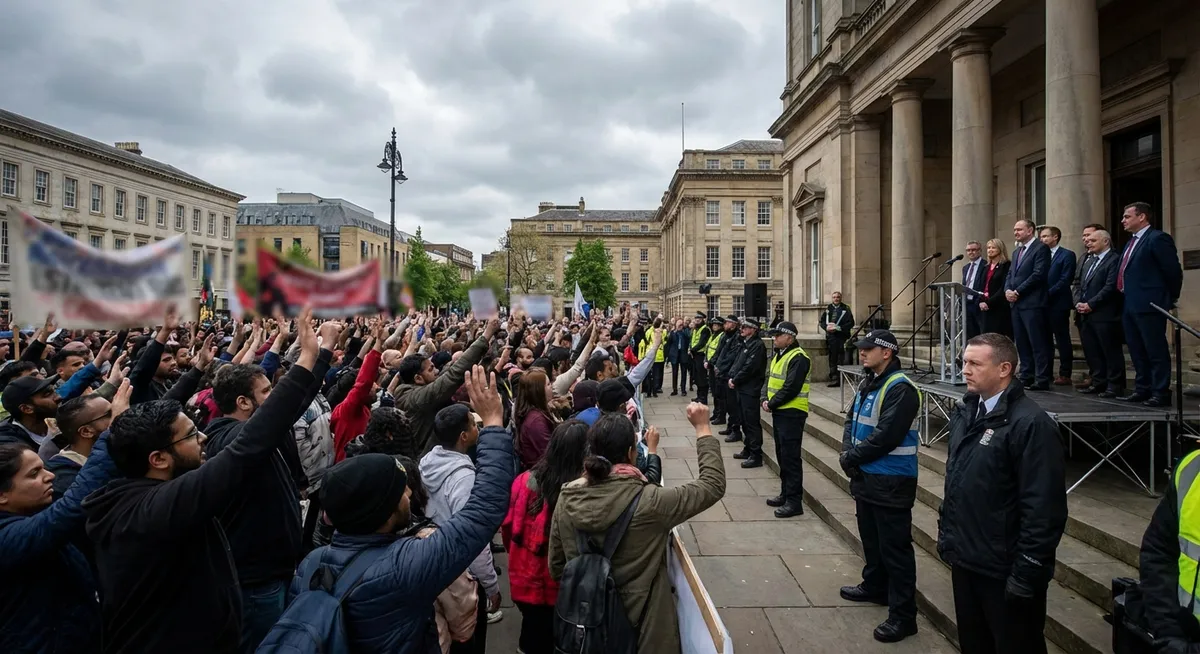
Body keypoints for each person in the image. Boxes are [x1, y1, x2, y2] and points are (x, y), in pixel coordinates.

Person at [82, 311, 334, 654]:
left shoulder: (140, 493)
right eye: (189, 436)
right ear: (158, 459)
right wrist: (308, 360)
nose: (202, 437)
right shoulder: (157, 507)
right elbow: (249, 447)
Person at [290, 365, 515, 653]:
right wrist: (493, 424)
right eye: (401, 491)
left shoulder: (312, 564)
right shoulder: (406, 565)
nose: (410, 492)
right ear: (381, 513)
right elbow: (483, 511)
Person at [549, 405, 725, 654]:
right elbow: (712, 485)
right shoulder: (651, 502)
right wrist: (703, 428)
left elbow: (557, 567)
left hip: (588, 629)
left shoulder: (567, 497)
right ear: (632, 453)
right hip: (645, 630)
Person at [937, 333, 1067, 654]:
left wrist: (1027, 571)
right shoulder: (966, 412)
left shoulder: (1031, 424)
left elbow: (1043, 508)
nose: (964, 370)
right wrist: (948, 538)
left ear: (1004, 368)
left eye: (974, 364)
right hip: (967, 559)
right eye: (963, 362)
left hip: (1004, 570)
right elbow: (959, 483)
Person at [0, 380, 126, 654]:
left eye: (42, 468)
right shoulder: (6, 538)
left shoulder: (27, 515)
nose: (50, 476)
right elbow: (70, 509)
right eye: (34, 475)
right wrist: (112, 432)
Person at [205, 360, 311, 653]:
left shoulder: (255, 436)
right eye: (267, 392)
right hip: (256, 581)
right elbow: (285, 408)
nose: (274, 396)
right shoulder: (229, 441)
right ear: (243, 402)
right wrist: (312, 356)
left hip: (274, 571)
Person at [838, 329, 921, 643]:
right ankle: (875, 586)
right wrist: (849, 453)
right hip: (866, 476)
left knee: (895, 549)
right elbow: (851, 420)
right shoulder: (867, 380)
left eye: (868, 349)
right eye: (861, 348)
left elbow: (888, 435)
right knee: (871, 540)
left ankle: (903, 616)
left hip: (891, 479)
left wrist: (852, 457)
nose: (862, 353)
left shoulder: (901, 388)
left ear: (887, 352)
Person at [502, 420, 590, 654]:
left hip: (524, 579)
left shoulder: (523, 482)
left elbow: (508, 529)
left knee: (532, 631)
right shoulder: (582, 492)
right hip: (562, 587)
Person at [421, 404, 499, 652]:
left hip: (437, 562)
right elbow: (474, 538)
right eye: (474, 424)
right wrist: (491, 585)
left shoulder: (427, 462)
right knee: (469, 639)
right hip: (463, 576)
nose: (478, 427)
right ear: (464, 436)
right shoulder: (463, 478)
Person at [395, 319, 498, 455]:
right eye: (431, 369)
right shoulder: (414, 398)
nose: (437, 371)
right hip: (428, 463)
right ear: (418, 378)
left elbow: (451, 370)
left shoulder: (420, 388)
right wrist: (486, 335)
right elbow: (452, 376)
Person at [1117, 202, 1183, 407]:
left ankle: (1160, 391)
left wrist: (1167, 298)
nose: (1123, 221)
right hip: (1129, 303)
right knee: (1137, 349)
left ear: (1142, 217)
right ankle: (1142, 388)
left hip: (1151, 304)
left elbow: (1172, 271)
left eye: (1127, 216)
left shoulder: (1157, 238)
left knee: (1155, 349)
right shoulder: (1130, 242)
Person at [760, 321, 810, 518]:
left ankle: (794, 501)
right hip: (780, 412)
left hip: (792, 412)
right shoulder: (779, 356)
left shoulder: (799, 357)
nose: (774, 338)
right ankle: (785, 493)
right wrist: (765, 398)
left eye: (778, 335)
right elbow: (768, 378)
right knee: (782, 455)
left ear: (790, 337)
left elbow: (791, 387)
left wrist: (771, 404)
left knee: (791, 458)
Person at [1075, 229, 1125, 398]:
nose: (1088, 242)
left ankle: (1114, 385)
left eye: (1093, 240)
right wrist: (1078, 303)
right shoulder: (1088, 260)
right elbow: (1077, 283)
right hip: (1085, 313)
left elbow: (1110, 286)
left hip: (1105, 314)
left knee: (1109, 351)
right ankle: (1098, 382)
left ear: (1105, 242)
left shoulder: (1114, 260)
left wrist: (1091, 304)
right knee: (1092, 351)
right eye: (1087, 240)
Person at [1005, 219, 1052, 390]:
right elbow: (1010, 274)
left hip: (1033, 303)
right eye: (1015, 229)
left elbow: (1038, 274)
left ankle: (1042, 378)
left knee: (1037, 342)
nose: (1015, 232)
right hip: (1016, 304)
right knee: (1022, 342)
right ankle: (1026, 375)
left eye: (1019, 229)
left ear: (1030, 230)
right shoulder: (1017, 251)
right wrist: (1007, 291)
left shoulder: (1041, 248)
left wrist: (1017, 291)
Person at [1039, 226, 1077, 385]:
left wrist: (1047, 293)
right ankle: (1046, 373)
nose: (1042, 240)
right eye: (1041, 237)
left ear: (1055, 237)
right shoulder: (1040, 255)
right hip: (1041, 304)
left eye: (1045, 236)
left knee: (1062, 339)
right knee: (1045, 340)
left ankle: (1065, 373)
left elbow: (1065, 279)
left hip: (1058, 303)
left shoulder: (1067, 255)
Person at [729, 318, 767, 469]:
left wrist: (736, 379)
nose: (742, 329)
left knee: (751, 423)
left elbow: (749, 367)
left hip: (750, 389)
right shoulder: (746, 343)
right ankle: (748, 449)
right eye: (742, 327)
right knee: (744, 420)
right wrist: (733, 376)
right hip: (742, 387)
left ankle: (756, 455)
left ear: (754, 329)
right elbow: (739, 362)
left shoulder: (757, 346)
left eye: (745, 327)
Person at [514, 369, 560, 471]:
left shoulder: (537, 413)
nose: (551, 386)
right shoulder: (536, 421)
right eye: (548, 384)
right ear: (538, 391)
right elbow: (550, 453)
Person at [0, 375, 60, 450]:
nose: (58, 397)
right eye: (47, 394)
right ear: (26, 409)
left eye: (54, 391)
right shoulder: (11, 445)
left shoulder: (62, 419)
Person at [818, 291, 854, 387]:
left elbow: (851, 323)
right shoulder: (828, 308)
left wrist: (839, 328)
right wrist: (826, 327)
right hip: (831, 337)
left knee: (840, 358)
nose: (836, 299)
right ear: (832, 298)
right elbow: (821, 321)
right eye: (834, 297)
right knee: (832, 358)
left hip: (841, 337)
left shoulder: (846, 309)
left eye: (838, 297)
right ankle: (833, 378)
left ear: (841, 298)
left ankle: (839, 379)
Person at [978, 239, 1012, 338]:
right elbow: (981, 286)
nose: (990, 250)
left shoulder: (1006, 265)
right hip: (984, 307)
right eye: (988, 248)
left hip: (999, 306)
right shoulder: (985, 267)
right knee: (987, 337)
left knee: (999, 337)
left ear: (1000, 249)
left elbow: (1003, 287)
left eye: (993, 247)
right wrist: (981, 301)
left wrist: (989, 303)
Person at [962, 241, 986, 340]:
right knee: (970, 333)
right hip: (967, 303)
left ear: (980, 251)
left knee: (982, 332)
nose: (971, 252)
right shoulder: (966, 267)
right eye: (968, 250)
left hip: (979, 302)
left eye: (974, 250)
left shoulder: (985, 265)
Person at [688, 313, 711, 404]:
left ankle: (703, 398)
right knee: (697, 377)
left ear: (703, 319)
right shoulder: (695, 329)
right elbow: (692, 340)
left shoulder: (705, 329)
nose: (697, 320)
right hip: (694, 355)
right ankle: (699, 396)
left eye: (699, 318)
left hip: (701, 355)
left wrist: (692, 350)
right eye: (696, 318)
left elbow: (702, 342)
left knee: (702, 378)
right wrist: (690, 348)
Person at [667, 318, 691, 397]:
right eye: (678, 324)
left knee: (684, 373)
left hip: (683, 354)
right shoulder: (673, 333)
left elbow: (689, 337)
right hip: (675, 355)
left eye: (681, 324)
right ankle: (675, 389)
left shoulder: (685, 332)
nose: (680, 326)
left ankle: (683, 389)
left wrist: (683, 328)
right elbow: (669, 343)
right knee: (674, 373)